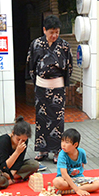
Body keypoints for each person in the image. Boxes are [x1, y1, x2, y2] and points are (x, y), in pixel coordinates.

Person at [26, 15, 73, 164]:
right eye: (51, 32)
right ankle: (42, 149)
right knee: (41, 118)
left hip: (57, 86)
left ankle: (57, 151)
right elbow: (31, 65)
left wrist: (63, 83)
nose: (54, 35)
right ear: (44, 30)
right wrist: (38, 82)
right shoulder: (36, 44)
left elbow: (69, 67)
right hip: (41, 86)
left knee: (57, 119)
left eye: (57, 32)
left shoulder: (64, 45)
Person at [0, 116, 40, 190]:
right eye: (18, 139)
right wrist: (17, 152)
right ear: (13, 133)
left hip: (11, 170)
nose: (20, 142)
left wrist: (11, 175)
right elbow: (3, 167)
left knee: (34, 164)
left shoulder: (24, 141)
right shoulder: (3, 141)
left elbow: (19, 161)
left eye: (23, 140)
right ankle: (17, 178)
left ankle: (9, 181)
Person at [52, 128, 99, 196]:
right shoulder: (62, 154)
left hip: (78, 179)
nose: (63, 145)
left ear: (75, 144)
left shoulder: (81, 152)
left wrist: (78, 188)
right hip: (65, 180)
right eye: (62, 141)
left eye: (67, 142)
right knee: (57, 182)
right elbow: (64, 174)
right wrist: (77, 189)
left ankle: (68, 191)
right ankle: (78, 189)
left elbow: (82, 165)